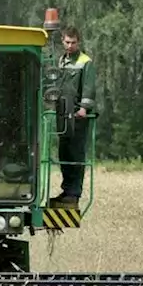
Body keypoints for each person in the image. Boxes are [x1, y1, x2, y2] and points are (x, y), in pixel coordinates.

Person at [52, 25, 96, 207]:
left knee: (76, 153)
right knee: (64, 152)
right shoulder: (61, 61)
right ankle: (66, 190)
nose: (70, 46)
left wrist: (84, 108)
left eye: (73, 43)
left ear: (79, 42)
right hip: (62, 113)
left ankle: (74, 193)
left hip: (78, 115)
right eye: (67, 42)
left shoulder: (85, 61)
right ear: (62, 41)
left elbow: (88, 87)